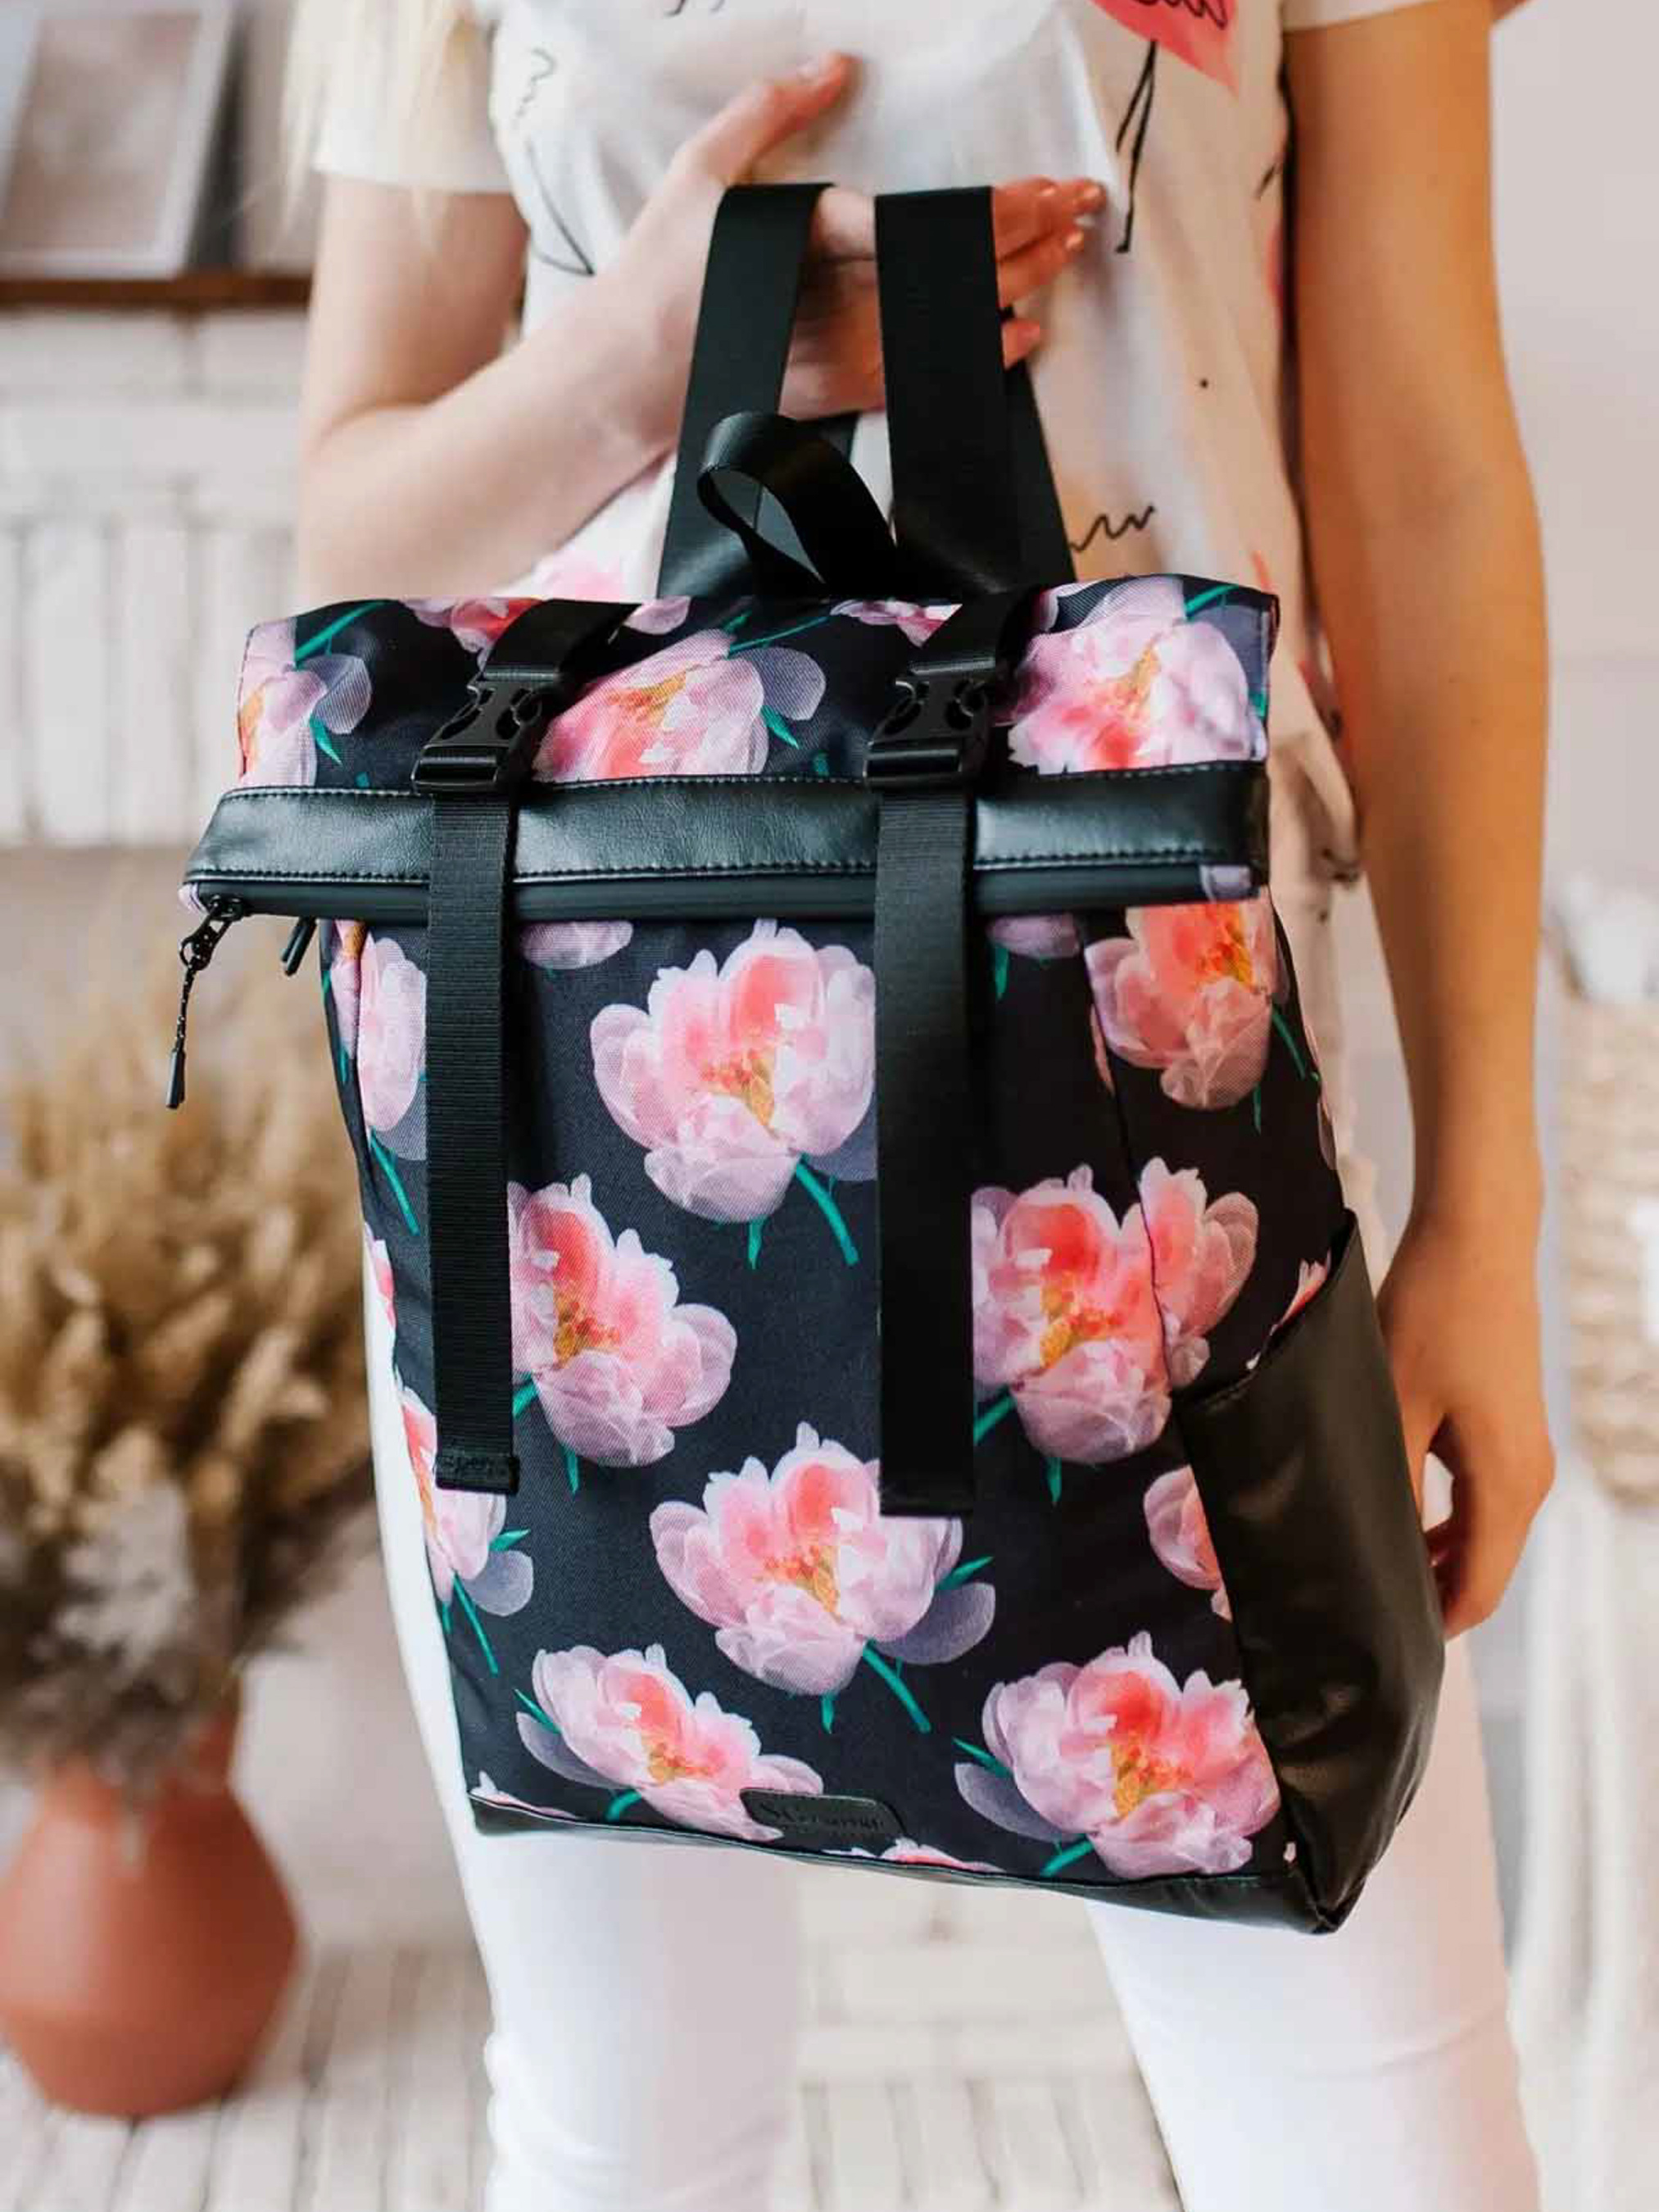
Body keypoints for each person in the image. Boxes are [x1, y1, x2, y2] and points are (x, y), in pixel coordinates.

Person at [288, 4, 1551, 2208]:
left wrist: (1483, 1210)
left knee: (1381, 2149)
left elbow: (1424, 474)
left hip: (1176, 1132)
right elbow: (346, 519)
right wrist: (640, 364)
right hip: (569, 1154)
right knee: (620, 2134)